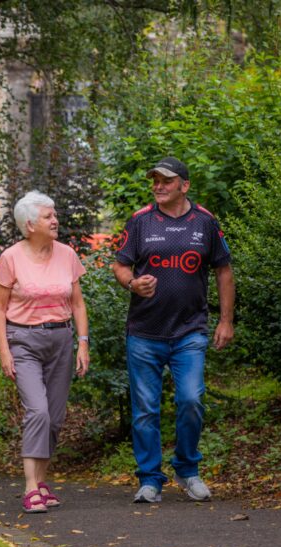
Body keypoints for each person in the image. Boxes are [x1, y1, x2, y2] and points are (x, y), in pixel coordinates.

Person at [111, 156, 235, 503]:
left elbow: (224, 271)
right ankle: (150, 479)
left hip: (189, 331)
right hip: (144, 332)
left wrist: (225, 320)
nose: (158, 186)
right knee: (146, 410)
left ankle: (187, 469)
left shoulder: (205, 222)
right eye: (155, 180)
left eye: (166, 180)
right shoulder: (140, 221)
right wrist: (133, 283)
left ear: (184, 185)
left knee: (191, 399)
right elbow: (119, 266)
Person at [0, 190, 90, 513]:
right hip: (24, 340)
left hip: (61, 339)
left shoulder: (67, 254)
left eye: (55, 214)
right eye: (49, 216)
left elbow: (77, 302)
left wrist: (83, 343)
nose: (55, 220)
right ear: (30, 224)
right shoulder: (11, 257)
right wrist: (5, 351)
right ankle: (30, 488)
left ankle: (43, 483)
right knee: (38, 411)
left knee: (56, 417)